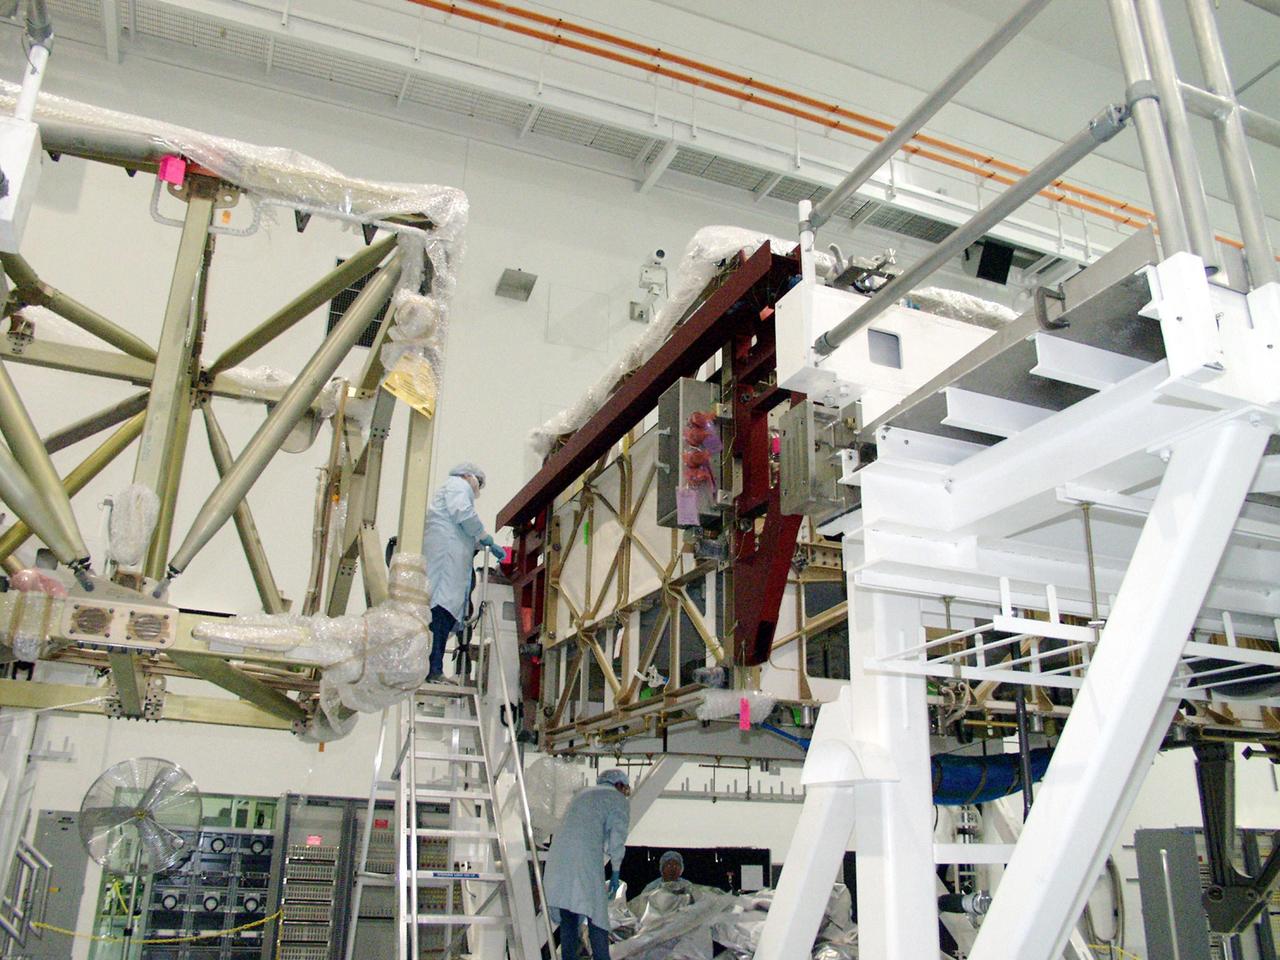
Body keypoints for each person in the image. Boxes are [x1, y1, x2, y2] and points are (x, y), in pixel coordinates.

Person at [423, 462, 504, 684]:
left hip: (451, 563)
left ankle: (434, 668)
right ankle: (433, 669)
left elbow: (463, 531)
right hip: (446, 565)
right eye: (479, 482)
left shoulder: (453, 491)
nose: (479, 488)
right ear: (468, 475)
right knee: (441, 613)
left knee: (443, 615)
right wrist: (485, 536)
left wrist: (484, 543)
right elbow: (464, 515)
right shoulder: (458, 485)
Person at [543, 769, 631, 960]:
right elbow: (617, 838)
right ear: (620, 785)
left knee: (569, 917)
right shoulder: (617, 799)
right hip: (584, 860)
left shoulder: (582, 794)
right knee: (597, 916)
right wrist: (616, 870)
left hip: (559, 859)